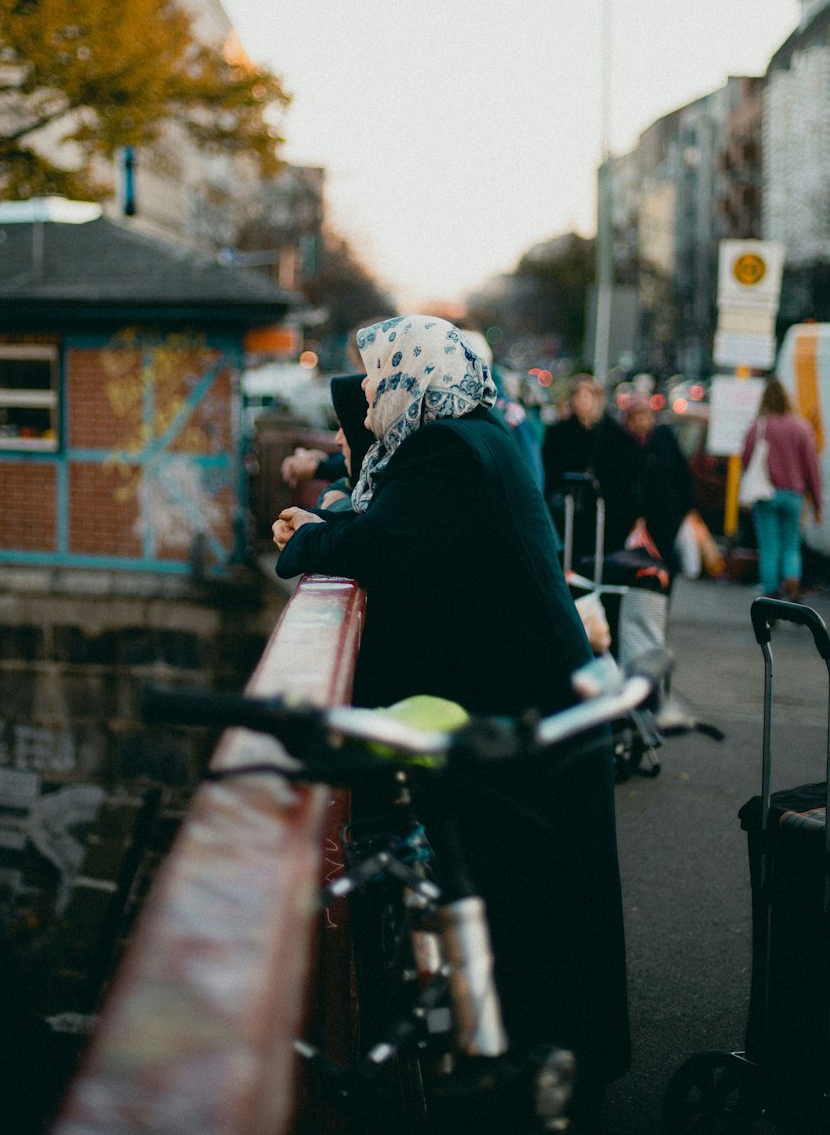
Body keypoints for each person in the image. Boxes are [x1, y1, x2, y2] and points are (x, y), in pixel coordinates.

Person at [272, 316, 630, 1128]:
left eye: (375, 378)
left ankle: (549, 1093)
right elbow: (380, 509)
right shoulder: (475, 435)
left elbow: (378, 542)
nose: (365, 396)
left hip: (534, 730)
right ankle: (558, 1079)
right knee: (553, 921)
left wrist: (309, 535)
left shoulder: (448, 453)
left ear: (411, 377)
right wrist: (335, 520)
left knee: (541, 926)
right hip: (544, 715)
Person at [741, 377, 822, 600]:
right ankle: (793, 580)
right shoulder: (802, 428)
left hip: (765, 494)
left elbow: (746, 458)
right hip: (794, 496)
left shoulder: (759, 426)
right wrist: (817, 502)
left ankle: (770, 593)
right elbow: (811, 468)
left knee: (769, 547)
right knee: (791, 544)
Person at [541, 375, 636, 563]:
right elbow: (551, 466)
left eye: (587, 397)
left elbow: (625, 472)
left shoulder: (614, 433)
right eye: (578, 397)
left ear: (597, 399)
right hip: (569, 508)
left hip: (604, 510)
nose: (582, 402)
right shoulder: (560, 432)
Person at [621, 395, 697, 575]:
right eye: (636, 416)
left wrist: (689, 507)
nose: (641, 421)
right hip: (633, 515)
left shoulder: (664, 439)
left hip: (664, 512)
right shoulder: (623, 443)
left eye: (645, 415)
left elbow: (681, 473)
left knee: (665, 559)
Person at [313, 373, 376, 511]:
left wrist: (337, 506)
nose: (338, 439)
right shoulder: (346, 488)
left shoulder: (378, 507)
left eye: (344, 427)